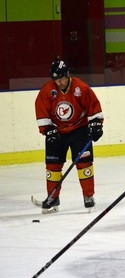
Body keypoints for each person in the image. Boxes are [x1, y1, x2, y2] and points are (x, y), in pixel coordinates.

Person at [35, 59, 104, 213]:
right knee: (52, 167)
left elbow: (94, 107)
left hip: (79, 130)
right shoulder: (47, 91)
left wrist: (96, 124)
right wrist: (47, 130)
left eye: (61, 78)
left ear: (67, 75)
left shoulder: (81, 88)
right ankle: (52, 197)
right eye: (55, 79)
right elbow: (41, 111)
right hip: (56, 131)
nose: (58, 82)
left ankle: (88, 196)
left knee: (84, 163)